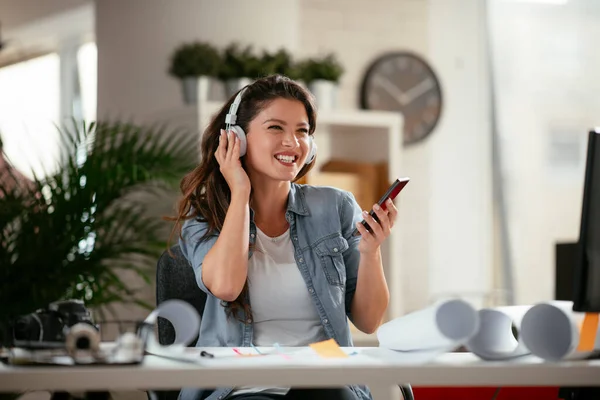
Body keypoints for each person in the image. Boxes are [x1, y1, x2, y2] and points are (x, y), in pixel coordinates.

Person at [171, 75, 398, 400]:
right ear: (238, 137)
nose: (293, 142)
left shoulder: (335, 206)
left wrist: (371, 252)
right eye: (276, 128)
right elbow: (226, 286)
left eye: (302, 131)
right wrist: (240, 192)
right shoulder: (204, 217)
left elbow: (368, 320)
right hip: (244, 386)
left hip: (325, 383)